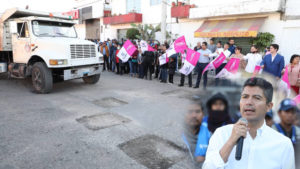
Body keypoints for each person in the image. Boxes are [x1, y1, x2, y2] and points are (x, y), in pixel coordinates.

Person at [203, 77, 295, 169]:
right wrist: (231, 141)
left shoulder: (283, 144)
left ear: (269, 106)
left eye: (257, 98)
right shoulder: (221, 134)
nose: (249, 102)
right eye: (245, 97)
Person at [182, 98, 211, 168]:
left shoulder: (211, 133)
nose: (194, 115)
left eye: (197, 111)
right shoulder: (173, 133)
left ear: (203, 115)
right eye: (190, 112)